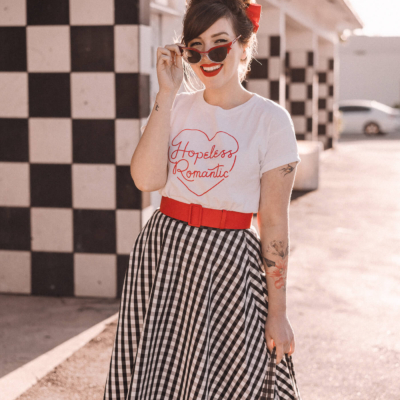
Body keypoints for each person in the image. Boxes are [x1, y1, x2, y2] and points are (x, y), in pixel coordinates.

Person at [104, 0, 302, 399]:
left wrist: (278, 314)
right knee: (157, 377)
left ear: (244, 46)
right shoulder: (174, 107)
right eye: (195, 48)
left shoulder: (271, 120)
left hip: (229, 262)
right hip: (164, 252)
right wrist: (166, 92)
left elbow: (274, 222)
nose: (207, 58)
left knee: (227, 378)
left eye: (219, 44)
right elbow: (146, 180)